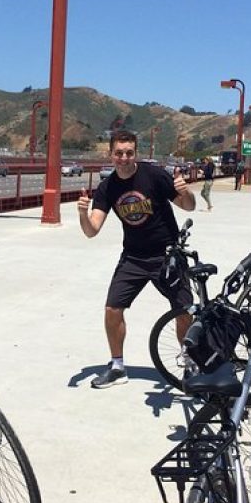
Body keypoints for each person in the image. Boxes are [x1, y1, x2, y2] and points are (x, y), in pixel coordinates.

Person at [78, 130, 196, 388]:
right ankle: (118, 367)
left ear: (136, 154)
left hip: (167, 255)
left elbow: (189, 206)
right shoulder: (108, 188)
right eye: (119, 153)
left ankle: (190, 364)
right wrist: (82, 214)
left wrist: (185, 192)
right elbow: (92, 230)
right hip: (133, 257)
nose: (124, 158)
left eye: (129, 153)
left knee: (184, 311)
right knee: (112, 309)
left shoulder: (153, 176)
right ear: (111, 155)